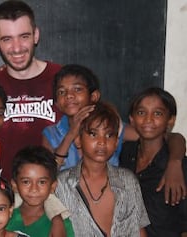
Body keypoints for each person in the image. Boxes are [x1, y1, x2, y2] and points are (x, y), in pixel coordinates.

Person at [42, 64, 186, 205]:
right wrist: (71, 134)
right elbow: (45, 177)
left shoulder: (112, 128)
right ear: (57, 103)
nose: (69, 96)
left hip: (108, 207)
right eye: (62, 92)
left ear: (94, 96)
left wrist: (175, 162)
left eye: (77, 89)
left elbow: (167, 136)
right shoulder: (51, 134)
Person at [0, 0, 62, 180]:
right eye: (7, 39)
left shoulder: (65, 81)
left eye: (24, 36)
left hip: (60, 191)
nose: (17, 48)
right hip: (5, 198)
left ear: (36, 35)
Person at [56, 101, 150, 236]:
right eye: (93, 134)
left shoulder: (127, 180)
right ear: (78, 140)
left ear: (116, 142)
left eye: (109, 135)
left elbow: (139, 230)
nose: (102, 142)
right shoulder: (62, 184)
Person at [120, 87, 187, 237]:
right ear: (132, 119)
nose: (148, 119)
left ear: (170, 120)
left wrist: (175, 162)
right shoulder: (123, 155)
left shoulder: (180, 168)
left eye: (157, 113)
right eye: (141, 112)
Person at [6, 145, 75, 237]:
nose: (34, 189)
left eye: (42, 182)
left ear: (52, 186)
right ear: (14, 185)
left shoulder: (61, 224)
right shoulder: (4, 216)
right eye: (26, 182)